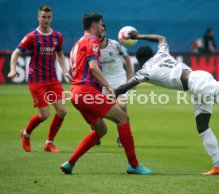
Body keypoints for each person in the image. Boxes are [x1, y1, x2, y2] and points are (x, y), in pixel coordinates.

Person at [114, 31, 219, 175]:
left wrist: (107, 95)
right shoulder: (161, 54)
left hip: (198, 85)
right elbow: (161, 38)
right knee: (202, 126)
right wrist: (138, 36)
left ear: (140, 61)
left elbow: (123, 87)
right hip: (196, 85)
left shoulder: (145, 71)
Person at [60, 13, 152, 175]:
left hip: (75, 93)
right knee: (123, 118)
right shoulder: (92, 40)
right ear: (94, 25)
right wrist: (109, 87)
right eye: (102, 25)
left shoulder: (76, 44)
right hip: (86, 91)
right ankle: (134, 165)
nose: (103, 28)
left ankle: (70, 163)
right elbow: (94, 67)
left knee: (100, 131)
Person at [7, 5, 72, 152]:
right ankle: (26, 134)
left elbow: (60, 55)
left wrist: (65, 71)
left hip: (52, 79)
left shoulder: (57, 36)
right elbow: (16, 53)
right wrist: (12, 69)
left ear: (51, 18)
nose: (46, 20)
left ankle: (49, 143)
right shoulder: (31, 37)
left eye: (48, 17)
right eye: (43, 17)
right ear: (38, 17)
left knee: (62, 111)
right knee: (45, 115)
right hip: (36, 80)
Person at [97, 24, 134, 147]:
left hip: (120, 81)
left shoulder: (116, 45)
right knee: (97, 112)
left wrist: (131, 79)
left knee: (122, 105)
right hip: (102, 83)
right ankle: (96, 133)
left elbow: (127, 59)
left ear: (105, 32)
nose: (100, 33)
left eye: (102, 31)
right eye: (98, 31)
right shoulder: (92, 48)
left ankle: (121, 136)